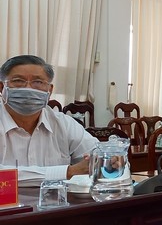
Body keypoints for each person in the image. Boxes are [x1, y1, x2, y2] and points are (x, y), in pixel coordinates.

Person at [0, 55, 98, 186]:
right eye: (18, 81)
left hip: (59, 200)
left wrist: (110, 160)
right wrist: (68, 172)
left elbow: (97, 156)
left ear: (50, 90)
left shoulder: (63, 124)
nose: (28, 88)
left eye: (38, 82)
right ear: (1, 87)